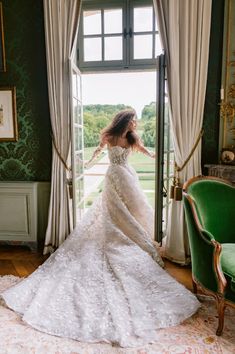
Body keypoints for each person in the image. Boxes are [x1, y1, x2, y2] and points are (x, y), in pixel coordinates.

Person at [1, 109, 200, 348]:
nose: (135, 122)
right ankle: (116, 232)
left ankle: (130, 234)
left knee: (132, 209)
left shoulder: (132, 138)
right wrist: (89, 161)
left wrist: (157, 157)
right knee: (113, 210)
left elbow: (145, 152)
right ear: (126, 121)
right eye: (133, 119)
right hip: (114, 175)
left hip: (126, 175)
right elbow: (97, 151)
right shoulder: (110, 136)